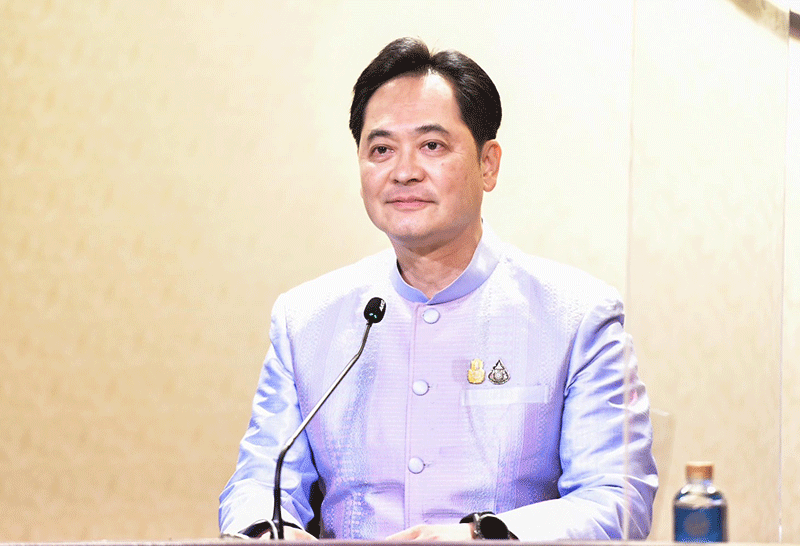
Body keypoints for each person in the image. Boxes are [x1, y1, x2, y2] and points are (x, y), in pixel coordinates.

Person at [219, 37, 657, 541]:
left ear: (488, 164)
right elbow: (259, 482)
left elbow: (616, 501)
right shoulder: (305, 319)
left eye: (432, 146)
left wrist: (476, 538)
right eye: (381, 149)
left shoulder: (576, 316)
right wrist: (269, 534)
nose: (404, 172)